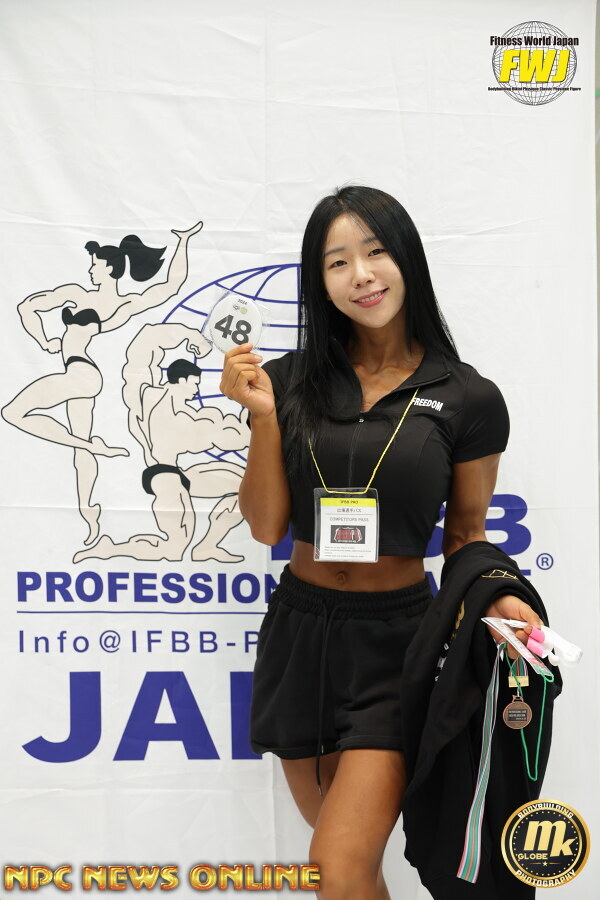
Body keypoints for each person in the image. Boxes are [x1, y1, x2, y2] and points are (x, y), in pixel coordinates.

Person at [220, 185, 543, 900]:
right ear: (321, 282)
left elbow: (466, 534)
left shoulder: (468, 397)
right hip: (300, 635)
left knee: (335, 867)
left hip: (398, 646)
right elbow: (268, 527)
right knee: (349, 869)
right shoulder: (287, 381)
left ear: (406, 260)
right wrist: (265, 419)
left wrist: (501, 596)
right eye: (338, 262)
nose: (361, 275)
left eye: (375, 252)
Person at [2, 221, 203, 546]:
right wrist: (45, 340)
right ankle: (90, 516)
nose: (91, 270)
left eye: (95, 265)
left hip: (80, 374)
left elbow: (171, 286)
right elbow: (26, 307)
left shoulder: (96, 299)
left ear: (110, 268)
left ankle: (93, 447)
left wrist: (183, 242)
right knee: (79, 449)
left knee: (12, 412)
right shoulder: (112, 303)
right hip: (83, 375)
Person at [74, 356, 248, 564]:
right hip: (165, 477)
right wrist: (249, 415)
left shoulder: (150, 396)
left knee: (246, 486)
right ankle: (110, 548)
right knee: (173, 550)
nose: (197, 390)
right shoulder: (168, 410)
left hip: (176, 473)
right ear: (181, 380)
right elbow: (218, 435)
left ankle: (207, 547)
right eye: (194, 384)